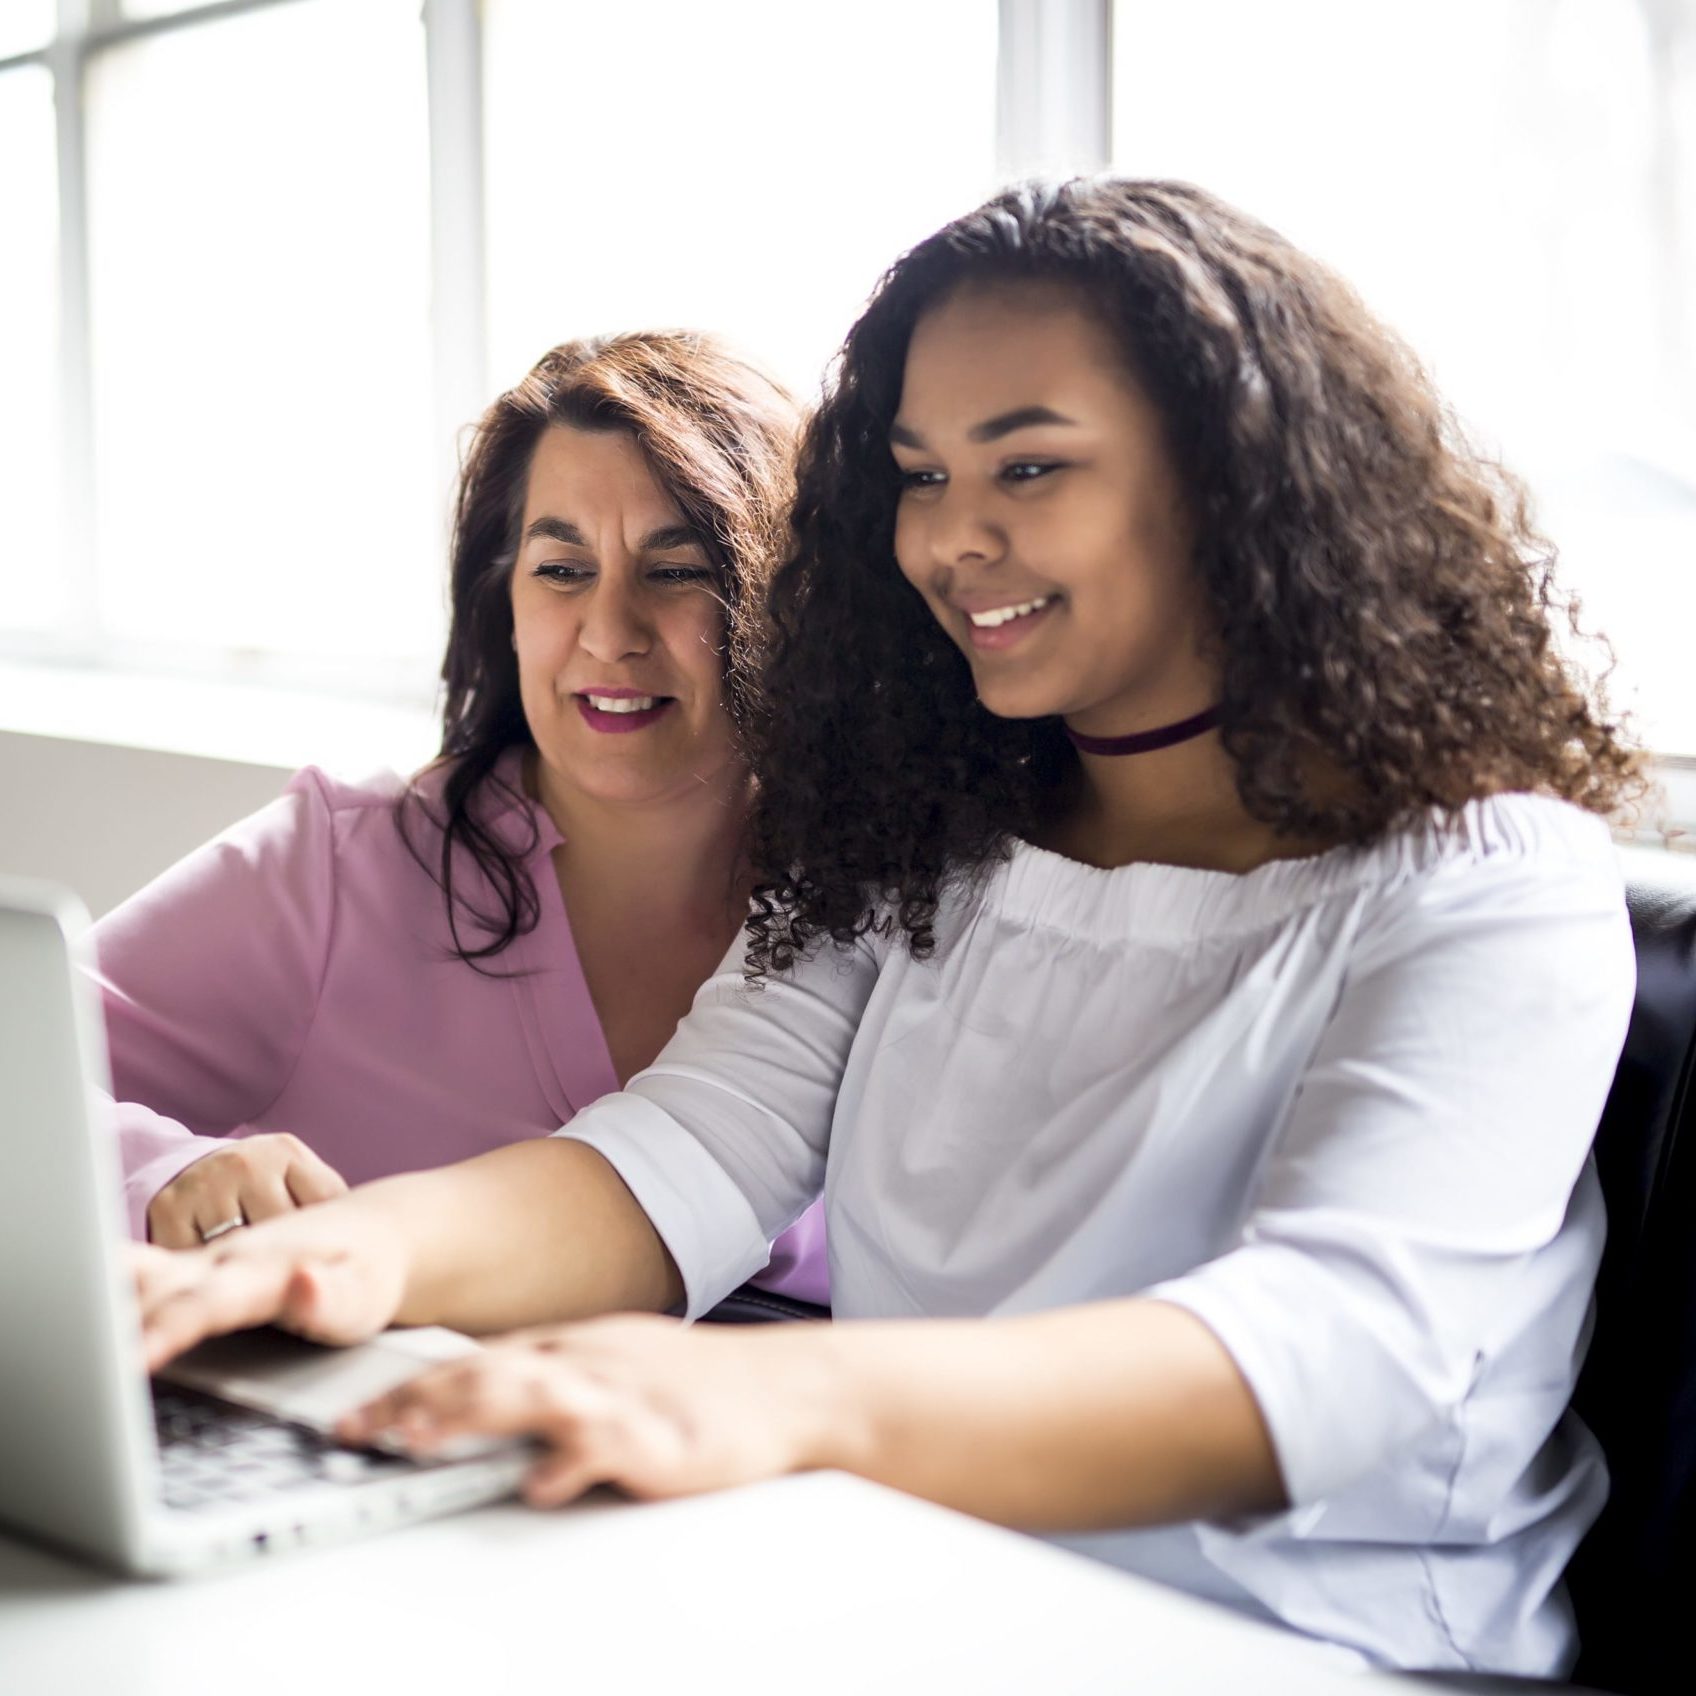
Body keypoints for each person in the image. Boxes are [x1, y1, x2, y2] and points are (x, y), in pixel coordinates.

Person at [135, 181, 1644, 1676]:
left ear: (1234, 479)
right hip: (917, 1595)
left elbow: (1327, 1353)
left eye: (1028, 469)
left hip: (1318, 1648)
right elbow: (684, 1151)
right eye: (919, 478)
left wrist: (789, 1403)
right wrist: (338, 1260)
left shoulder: (1491, 882)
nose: (952, 541)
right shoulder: (926, 832)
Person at [101, 330, 825, 1304]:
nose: (608, 632)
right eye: (561, 570)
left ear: (790, 595)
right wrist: (159, 1170)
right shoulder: (338, 867)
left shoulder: (883, 913)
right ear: (505, 603)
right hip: (381, 1439)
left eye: (676, 569)